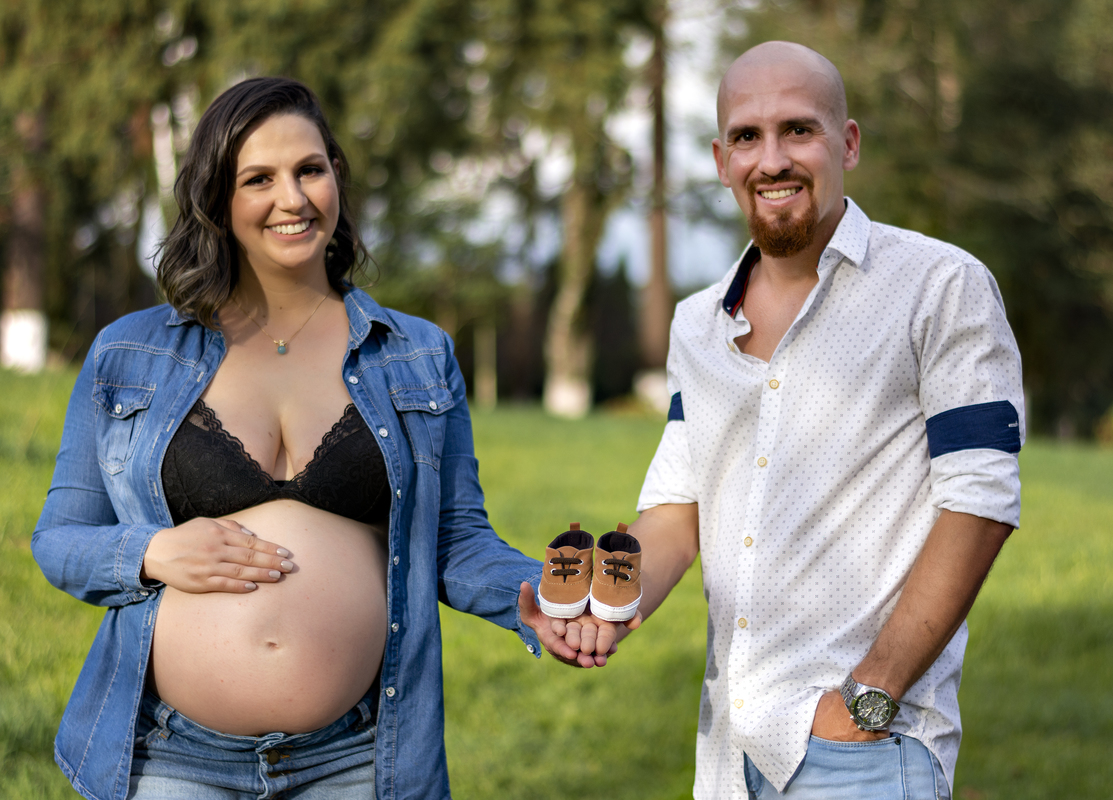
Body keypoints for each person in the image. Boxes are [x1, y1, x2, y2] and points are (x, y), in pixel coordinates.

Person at [31, 76, 601, 800]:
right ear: (216, 199)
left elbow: (455, 539)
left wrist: (536, 600)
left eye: (309, 169)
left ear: (336, 173)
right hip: (169, 757)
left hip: (357, 759)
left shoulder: (417, 355)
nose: (293, 199)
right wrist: (151, 551)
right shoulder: (130, 354)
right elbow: (58, 538)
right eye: (258, 179)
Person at [612, 41, 1025, 799]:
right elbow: (675, 508)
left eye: (798, 130)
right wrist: (605, 604)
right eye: (747, 136)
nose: (771, 160)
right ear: (720, 158)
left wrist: (869, 698)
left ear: (849, 142)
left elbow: (981, 500)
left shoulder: (942, 286)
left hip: (865, 751)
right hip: (729, 755)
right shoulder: (696, 325)